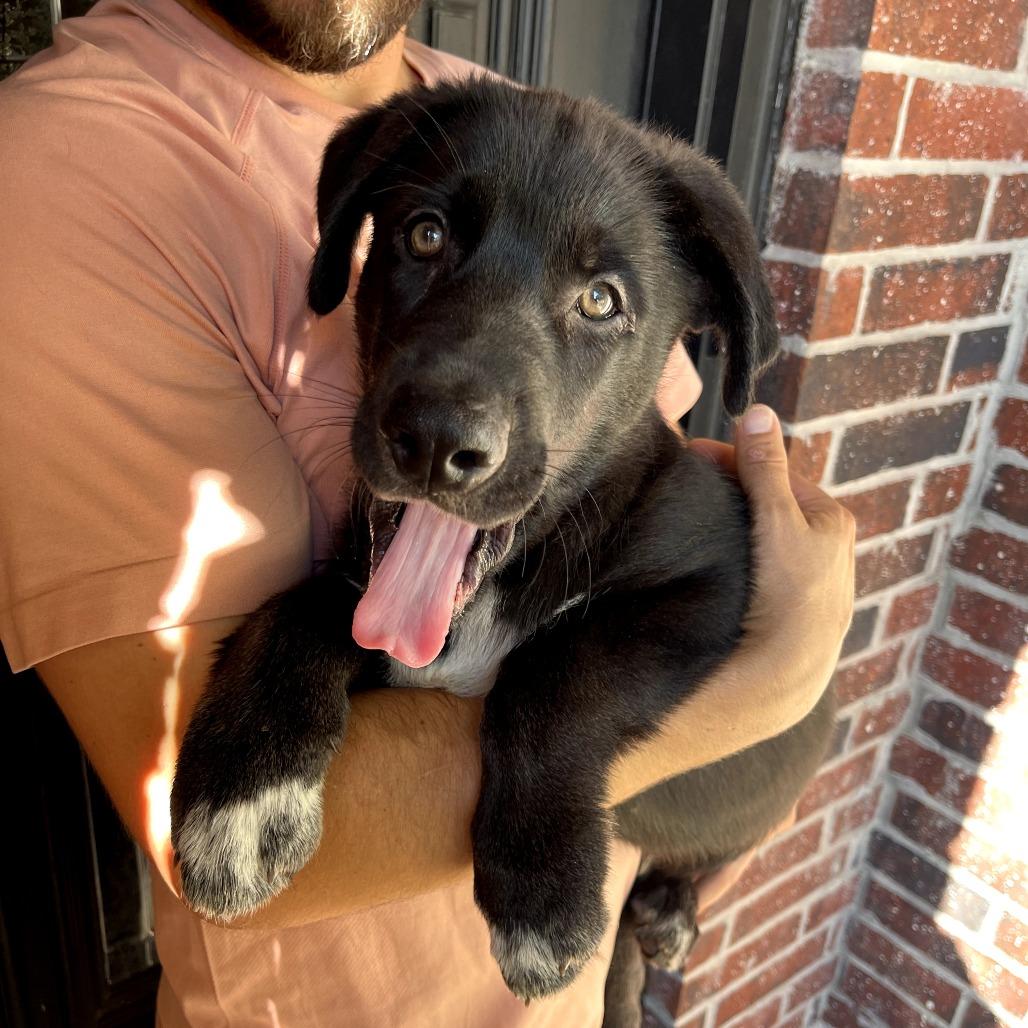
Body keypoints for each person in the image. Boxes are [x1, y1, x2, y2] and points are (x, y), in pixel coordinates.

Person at [0, 1, 855, 1024]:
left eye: (596, 303)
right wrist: (776, 674)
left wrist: (570, 737)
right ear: (353, 242)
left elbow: (667, 509)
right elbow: (246, 845)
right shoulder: (70, 167)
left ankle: (674, 891)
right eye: (425, 237)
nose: (461, 413)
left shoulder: (488, 114)